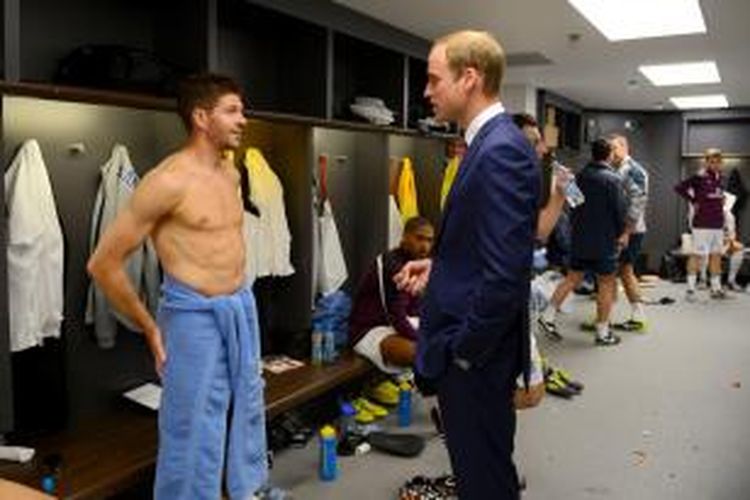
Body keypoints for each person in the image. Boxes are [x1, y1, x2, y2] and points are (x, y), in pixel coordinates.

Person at [87, 74, 267, 499]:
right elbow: (103, 264)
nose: (244, 120)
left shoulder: (231, 172)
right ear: (201, 117)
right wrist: (151, 328)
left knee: (244, 407)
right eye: (232, 110)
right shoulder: (166, 181)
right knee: (190, 431)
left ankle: (246, 490)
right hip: (193, 320)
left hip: (238, 309)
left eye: (242, 110)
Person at [399, 30, 539, 499]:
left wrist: (463, 353)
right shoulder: (487, 144)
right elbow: (483, 247)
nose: (427, 91)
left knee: (485, 479)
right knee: (478, 470)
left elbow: (507, 274)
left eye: (434, 79)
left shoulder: (500, 151)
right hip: (473, 350)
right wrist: (439, 266)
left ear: (470, 78)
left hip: (476, 359)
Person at [538, 138, 627, 346]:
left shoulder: (578, 177)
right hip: (604, 241)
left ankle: (548, 316)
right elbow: (620, 212)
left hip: (579, 239)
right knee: (605, 283)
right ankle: (603, 332)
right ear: (609, 155)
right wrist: (622, 233)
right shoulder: (613, 179)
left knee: (572, 278)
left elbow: (573, 205)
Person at [350, 217, 434, 372]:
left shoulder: (419, 264)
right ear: (405, 236)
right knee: (422, 353)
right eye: (419, 238)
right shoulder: (391, 264)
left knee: (443, 342)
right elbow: (396, 315)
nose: (425, 246)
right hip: (370, 330)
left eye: (429, 240)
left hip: (396, 325)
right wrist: (421, 339)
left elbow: (416, 309)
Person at [608, 133, 649, 330]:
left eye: (615, 148)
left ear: (625, 147)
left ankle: (639, 316)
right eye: (610, 149)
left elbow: (638, 202)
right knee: (611, 272)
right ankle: (605, 315)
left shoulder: (634, 170)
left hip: (631, 230)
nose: (612, 152)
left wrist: (626, 231)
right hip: (618, 229)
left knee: (625, 271)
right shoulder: (616, 169)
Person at [675, 148, 727, 300]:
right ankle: (690, 290)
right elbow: (679, 188)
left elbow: (716, 195)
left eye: (718, 162)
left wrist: (721, 198)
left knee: (716, 256)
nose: (715, 164)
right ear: (706, 162)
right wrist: (693, 200)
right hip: (702, 224)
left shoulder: (720, 178)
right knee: (697, 256)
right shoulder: (699, 176)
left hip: (717, 224)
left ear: (721, 163)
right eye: (712, 161)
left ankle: (715, 289)